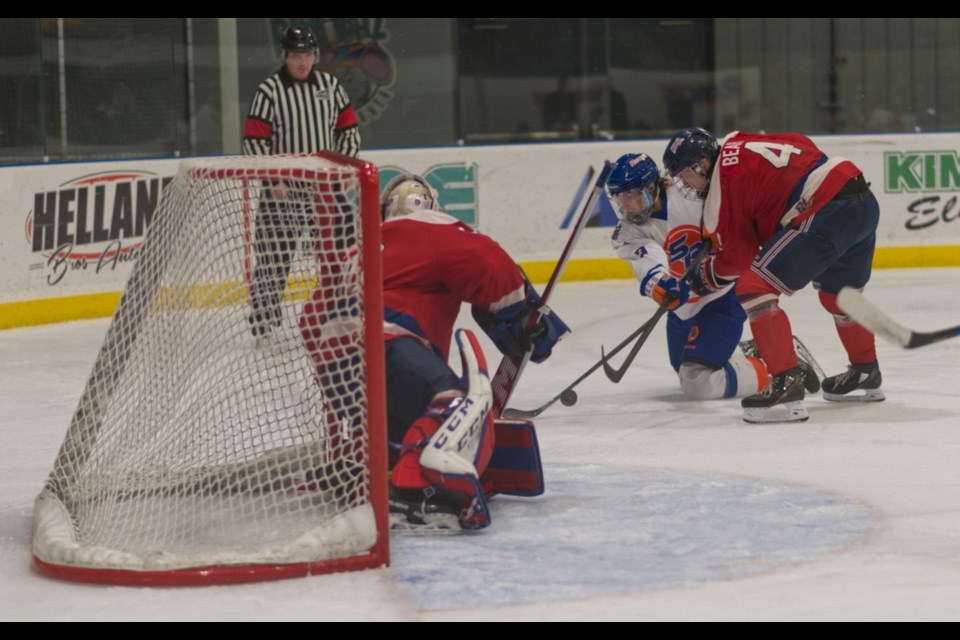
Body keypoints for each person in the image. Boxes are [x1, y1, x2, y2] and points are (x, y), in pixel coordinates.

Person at [301, 174, 569, 533]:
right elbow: (491, 268)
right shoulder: (432, 227)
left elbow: (311, 316)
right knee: (455, 405)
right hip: (386, 346)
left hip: (336, 367)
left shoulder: (360, 246)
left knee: (409, 423)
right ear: (430, 206)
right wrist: (527, 319)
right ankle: (410, 495)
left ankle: (383, 457)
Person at [662, 127, 884, 423]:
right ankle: (866, 369)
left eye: (683, 175)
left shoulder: (721, 190)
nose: (684, 184)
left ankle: (785, 380)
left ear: (702, 163)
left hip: (826, 208)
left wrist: (704, 277)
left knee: (754, 286)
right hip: (861, 198)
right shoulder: (740, 141)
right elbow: (802, 143)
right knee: (838, 295)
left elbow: (736, 260)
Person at [608, 152, 819, 401]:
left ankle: (785, 372)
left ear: (651, 187)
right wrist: (660, 283)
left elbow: (735, 215)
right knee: (684, 368)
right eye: (620, 199)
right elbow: (648, 259)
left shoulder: (689, 194)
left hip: (723, 296)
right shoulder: (627, 232)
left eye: (631, 196)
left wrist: (721, 230)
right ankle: (757, 350)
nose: (626, 206)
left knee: (698, 381)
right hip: (684, 308)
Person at [242, 25, 361, 337]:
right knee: (273, 256)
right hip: (284, 189)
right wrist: (273, 180)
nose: (303, 61)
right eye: (296, 55)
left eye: (308, 54)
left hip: (325, 185)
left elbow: (348, 129)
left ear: (315, 55)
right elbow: (255, 140)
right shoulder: (269, 91)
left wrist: (345, 168)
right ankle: (263, 321)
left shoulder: (330, 86)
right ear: (285, 56)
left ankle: (344, 310)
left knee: (342, 252)